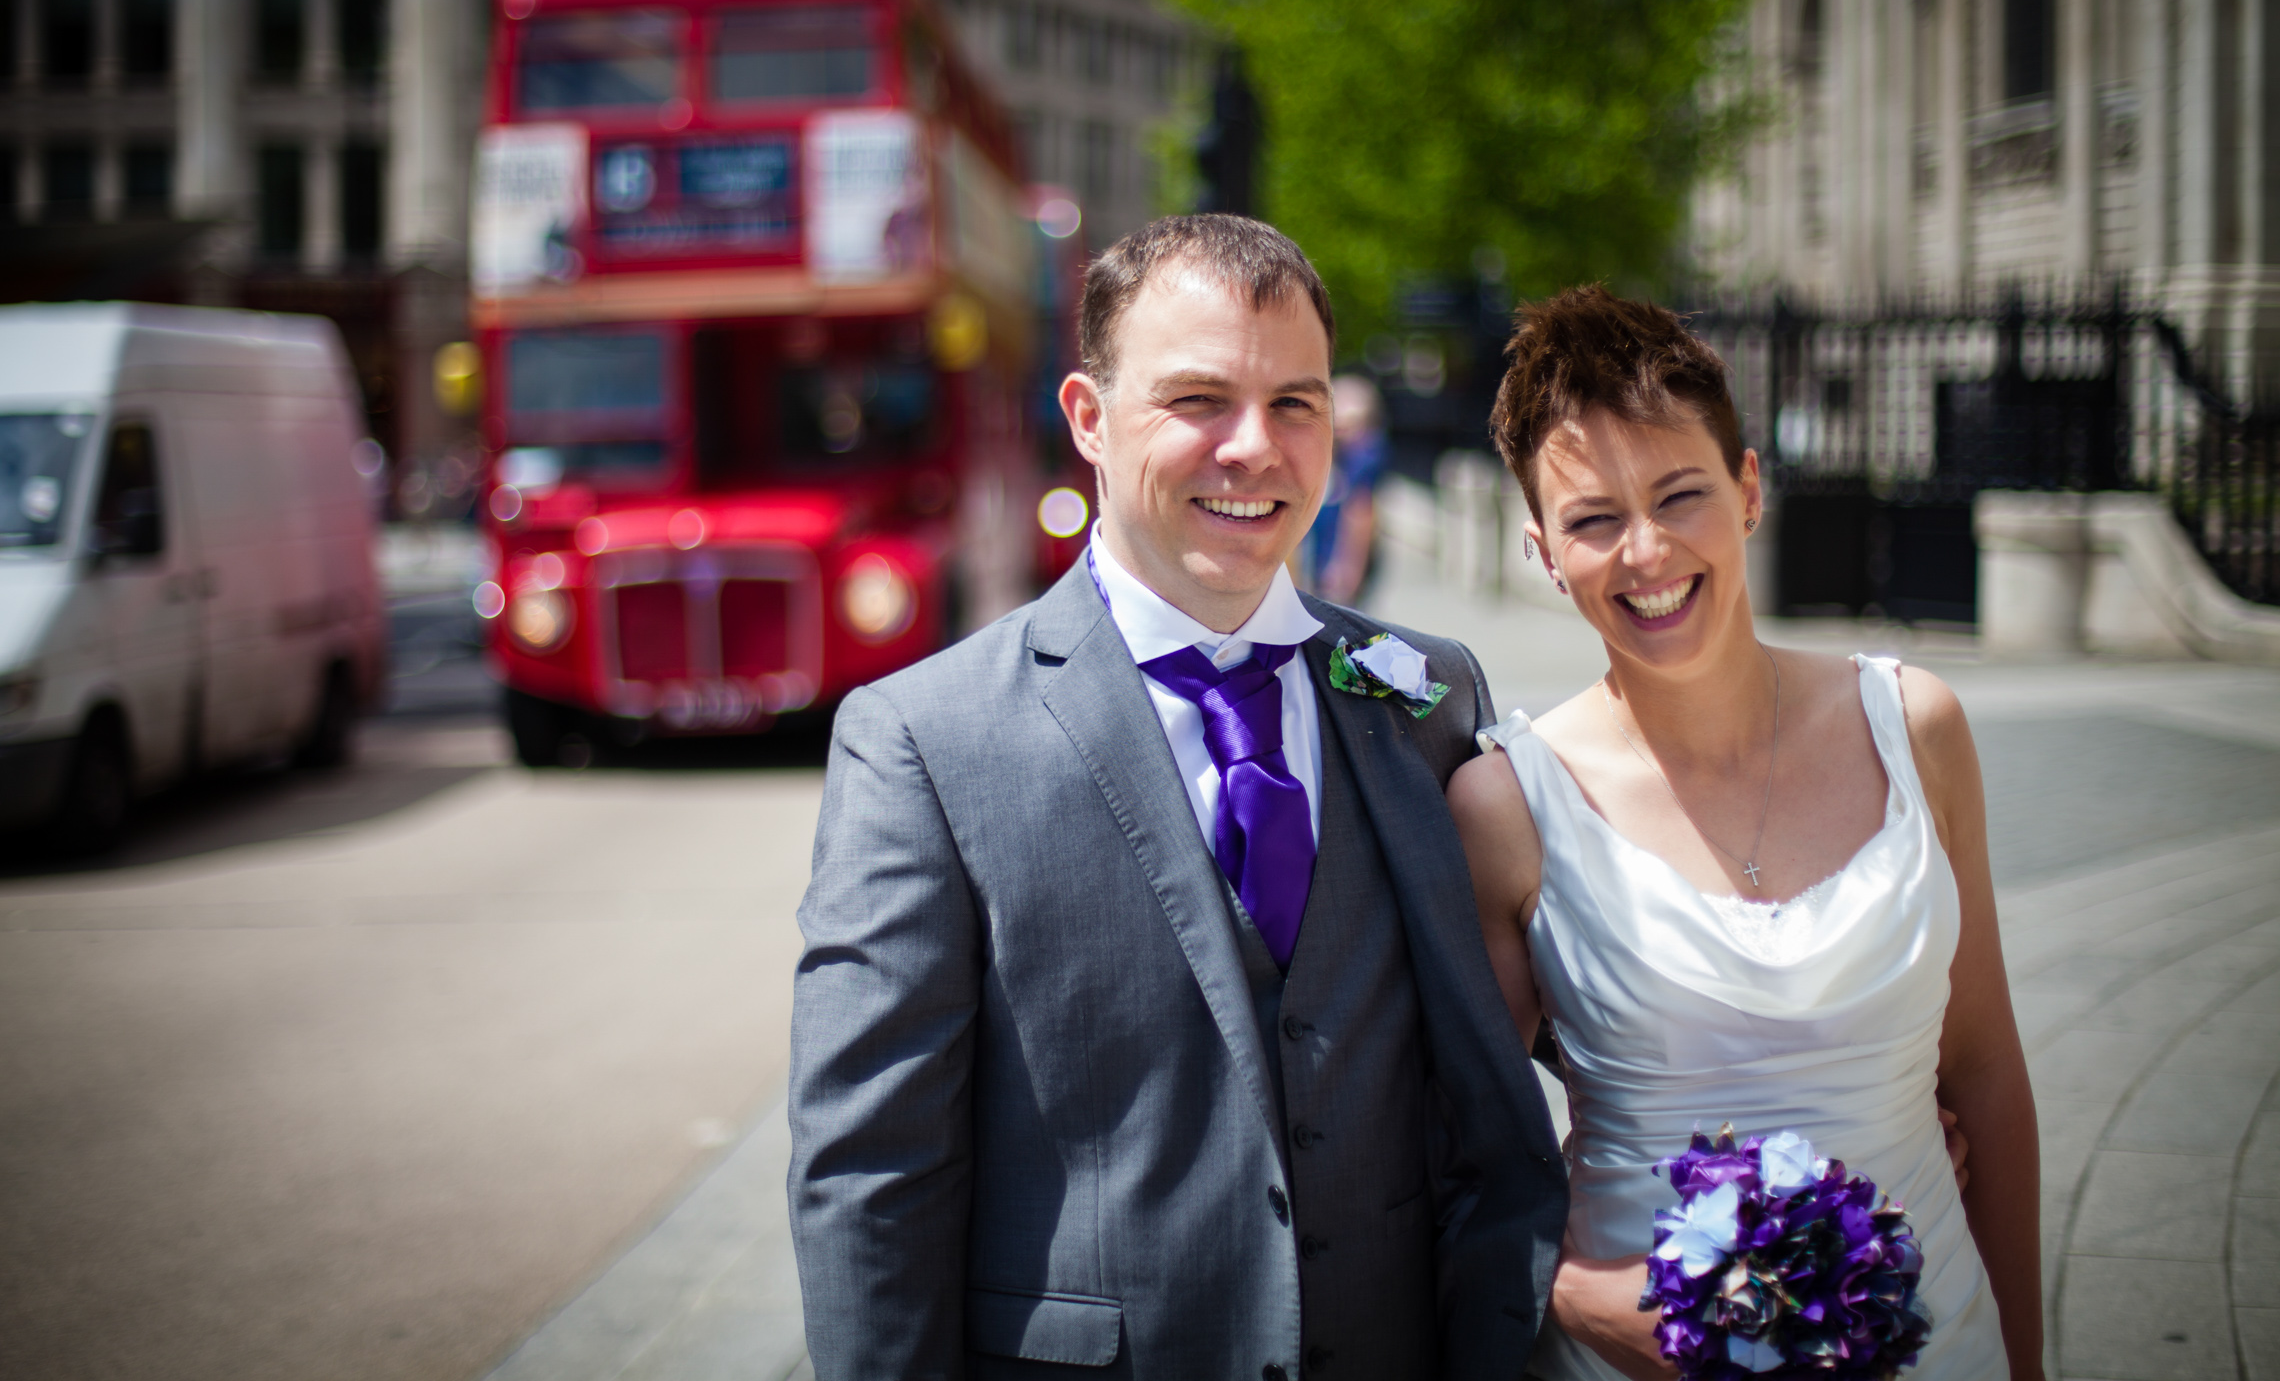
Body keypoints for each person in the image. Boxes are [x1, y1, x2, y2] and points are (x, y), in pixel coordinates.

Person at [788, 214, 1566, 1379]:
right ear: (1090, 420)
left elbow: (1482, 1087)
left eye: (1295, 403)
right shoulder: (922, 740)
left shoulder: (1430, 695)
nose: (1254, 447)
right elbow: (869, 1177)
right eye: (1199, 400)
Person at [1449, 287, 2041, 1381]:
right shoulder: (1507, 803)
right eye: (1592, 519)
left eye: (1681, 494)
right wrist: (1576, 1293)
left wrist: (2028, 1358)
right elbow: (1462, 1148)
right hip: (1640, 1355)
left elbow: (1989, 1069)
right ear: (1541, 549)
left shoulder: (1916, 727)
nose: (1645, 550)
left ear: (1751, 488)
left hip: (1935, 1338)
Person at [1304, 373, 1388, 604]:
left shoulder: (1364, 458)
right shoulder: (1335, 456)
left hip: (1337, 565)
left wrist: (1348, 568)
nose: (1341, 429)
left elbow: (1361, 514)